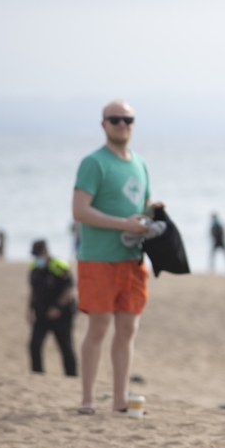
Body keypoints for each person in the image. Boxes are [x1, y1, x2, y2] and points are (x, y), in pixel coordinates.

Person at [71, 99, 162, 415]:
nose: (122, 124)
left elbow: (143, 199)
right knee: (97, 329)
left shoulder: (139, 163)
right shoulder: (93, 163)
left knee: (128, 329)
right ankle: (87, 399)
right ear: (104, 124)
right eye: (115, 119)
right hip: (98, 258)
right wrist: (122, 224)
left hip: (133, 260)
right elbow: (79, 210)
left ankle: (121, 399)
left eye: (128, 119)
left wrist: (154, 212)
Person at [27, 239, 77, 376]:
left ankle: (71, 376)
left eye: (39, 255)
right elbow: (32, 291)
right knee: (34, 345)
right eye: (35, 255)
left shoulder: (59, 266)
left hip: (62, 315)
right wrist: (29, 311)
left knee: (65, 347)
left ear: (46, 252)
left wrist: (58, 307)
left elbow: (69, 289)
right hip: (42, 313)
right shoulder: (34, 268)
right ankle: (37, 374)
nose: (37, 258)